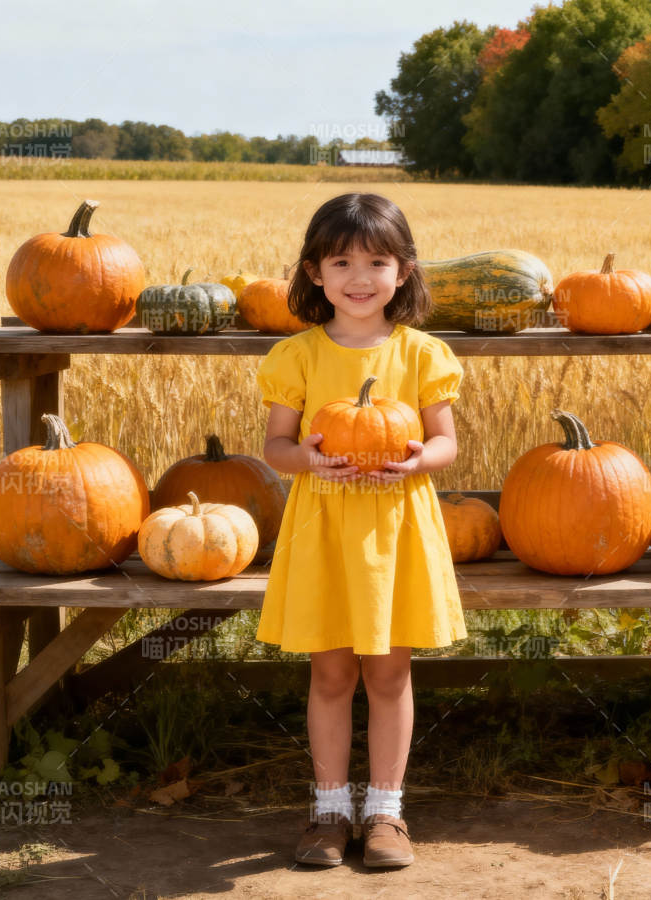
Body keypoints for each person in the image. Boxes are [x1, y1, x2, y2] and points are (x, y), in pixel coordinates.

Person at [254, 192, 468, 868]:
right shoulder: (298, 356)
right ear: (314, 272)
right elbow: (276, 447)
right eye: (341, 262)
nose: (359, 277)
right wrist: (308, 459)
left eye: (377, 262)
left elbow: (445, 443)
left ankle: (385, 813)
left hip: (396, 530)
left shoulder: (422, 353)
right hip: (323, 528)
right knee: (329, 674)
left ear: (404, 271)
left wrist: (417, 461)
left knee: (390, 673)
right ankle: (329, 811)